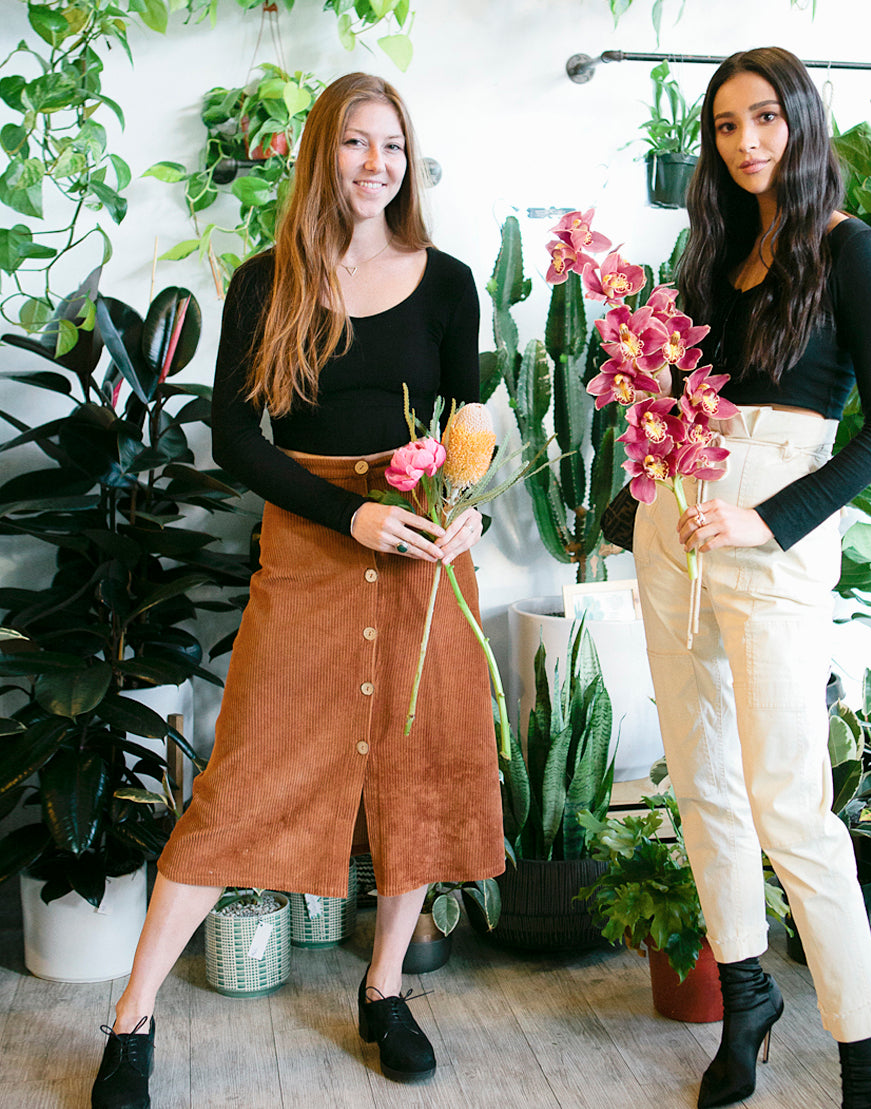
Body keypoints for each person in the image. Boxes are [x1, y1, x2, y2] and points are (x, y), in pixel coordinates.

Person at [90, 72, 503, 1108]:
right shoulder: (267, 283)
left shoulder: (449, 280)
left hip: (422, 550)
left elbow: (475, 425)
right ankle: (131, 1016)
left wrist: (472, 511)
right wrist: (346, 512)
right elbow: (235, 437)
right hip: (314, 543)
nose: (377, 164)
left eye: (394, 148)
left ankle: (383, 985)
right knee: (245, 778)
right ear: (324, 152)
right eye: (358, 143)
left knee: (416, 768)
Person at [634, 47, 871, 1109]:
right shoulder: (704, 258)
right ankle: (743, 993)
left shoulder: (852, 253)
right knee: (702, 783)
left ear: (799, 121)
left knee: (788, 800)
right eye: (722, 126)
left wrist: (769, 517)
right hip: (674, 533)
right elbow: (667, 400)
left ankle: (865, 1061)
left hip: (773, 539)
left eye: (762, 119)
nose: (744, 142)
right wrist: (638, 493)